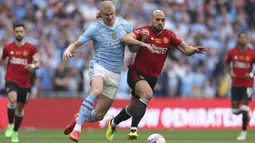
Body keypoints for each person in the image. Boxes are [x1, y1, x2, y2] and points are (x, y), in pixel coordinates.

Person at [105, 10, 206, 141]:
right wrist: (142, 42)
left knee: (132, 109)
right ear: (152, 20)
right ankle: (133, 129)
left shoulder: (168, 35)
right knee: (147, 94)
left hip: (152, 78)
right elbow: (125, 38)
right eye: (157, 19)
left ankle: (112, 123)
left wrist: (193, 50)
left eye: (162, 20)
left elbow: (186, 49)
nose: (160, 22)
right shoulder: (144, 31)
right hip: (136, 73)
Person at [62, 1, 152, 142]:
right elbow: (77, 43)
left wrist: (144, 39)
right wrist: (68, 49)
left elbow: (132, 49)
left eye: (112, 14)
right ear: (101, 14)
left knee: (99, 116)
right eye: (106, 15)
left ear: (115, 12)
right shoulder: (94, 28)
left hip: (115, 73)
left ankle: (78, 117)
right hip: (99, 66)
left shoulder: (125, 26)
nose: (110, 17)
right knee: (96, 91)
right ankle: (77, 129)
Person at [1, 23, 40, 143]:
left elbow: (38, 63)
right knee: (12, 99)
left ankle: (15, 132)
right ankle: (10, 124)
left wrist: (32, 66)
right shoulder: (7, 48)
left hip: (25, 83)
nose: (19, 33)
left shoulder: (31, 48)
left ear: (24, 32)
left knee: (20, 108)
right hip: (11, 79)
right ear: (13, 32)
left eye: (21, 31)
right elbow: (2, 60)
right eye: (17, 31)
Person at [225, 32, 254, 140]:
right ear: (237, 39)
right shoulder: (232, 52)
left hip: (248, 84)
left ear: (247, 39)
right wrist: (230, 72)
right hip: (236, 84)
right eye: (241, 38)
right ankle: (247, 112)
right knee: (235, 111)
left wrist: (251, 74)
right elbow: (227, 64)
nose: (243, 40)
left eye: (245, 38)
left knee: (245, 106)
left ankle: (243, 132)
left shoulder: (252, 53)